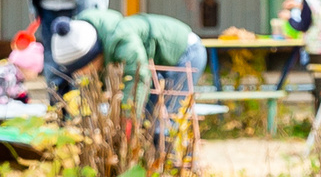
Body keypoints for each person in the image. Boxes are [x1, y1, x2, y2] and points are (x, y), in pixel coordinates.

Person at [49, 9, 206, 122]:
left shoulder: (122, 39)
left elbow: (138, 78)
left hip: (186, 52)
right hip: (155, 62)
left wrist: (127, 119)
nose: (79, 75)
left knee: (163, 121)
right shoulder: (92, 41)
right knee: (147, 117)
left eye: (81, 69)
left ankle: (178, 164)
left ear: (93, 58)